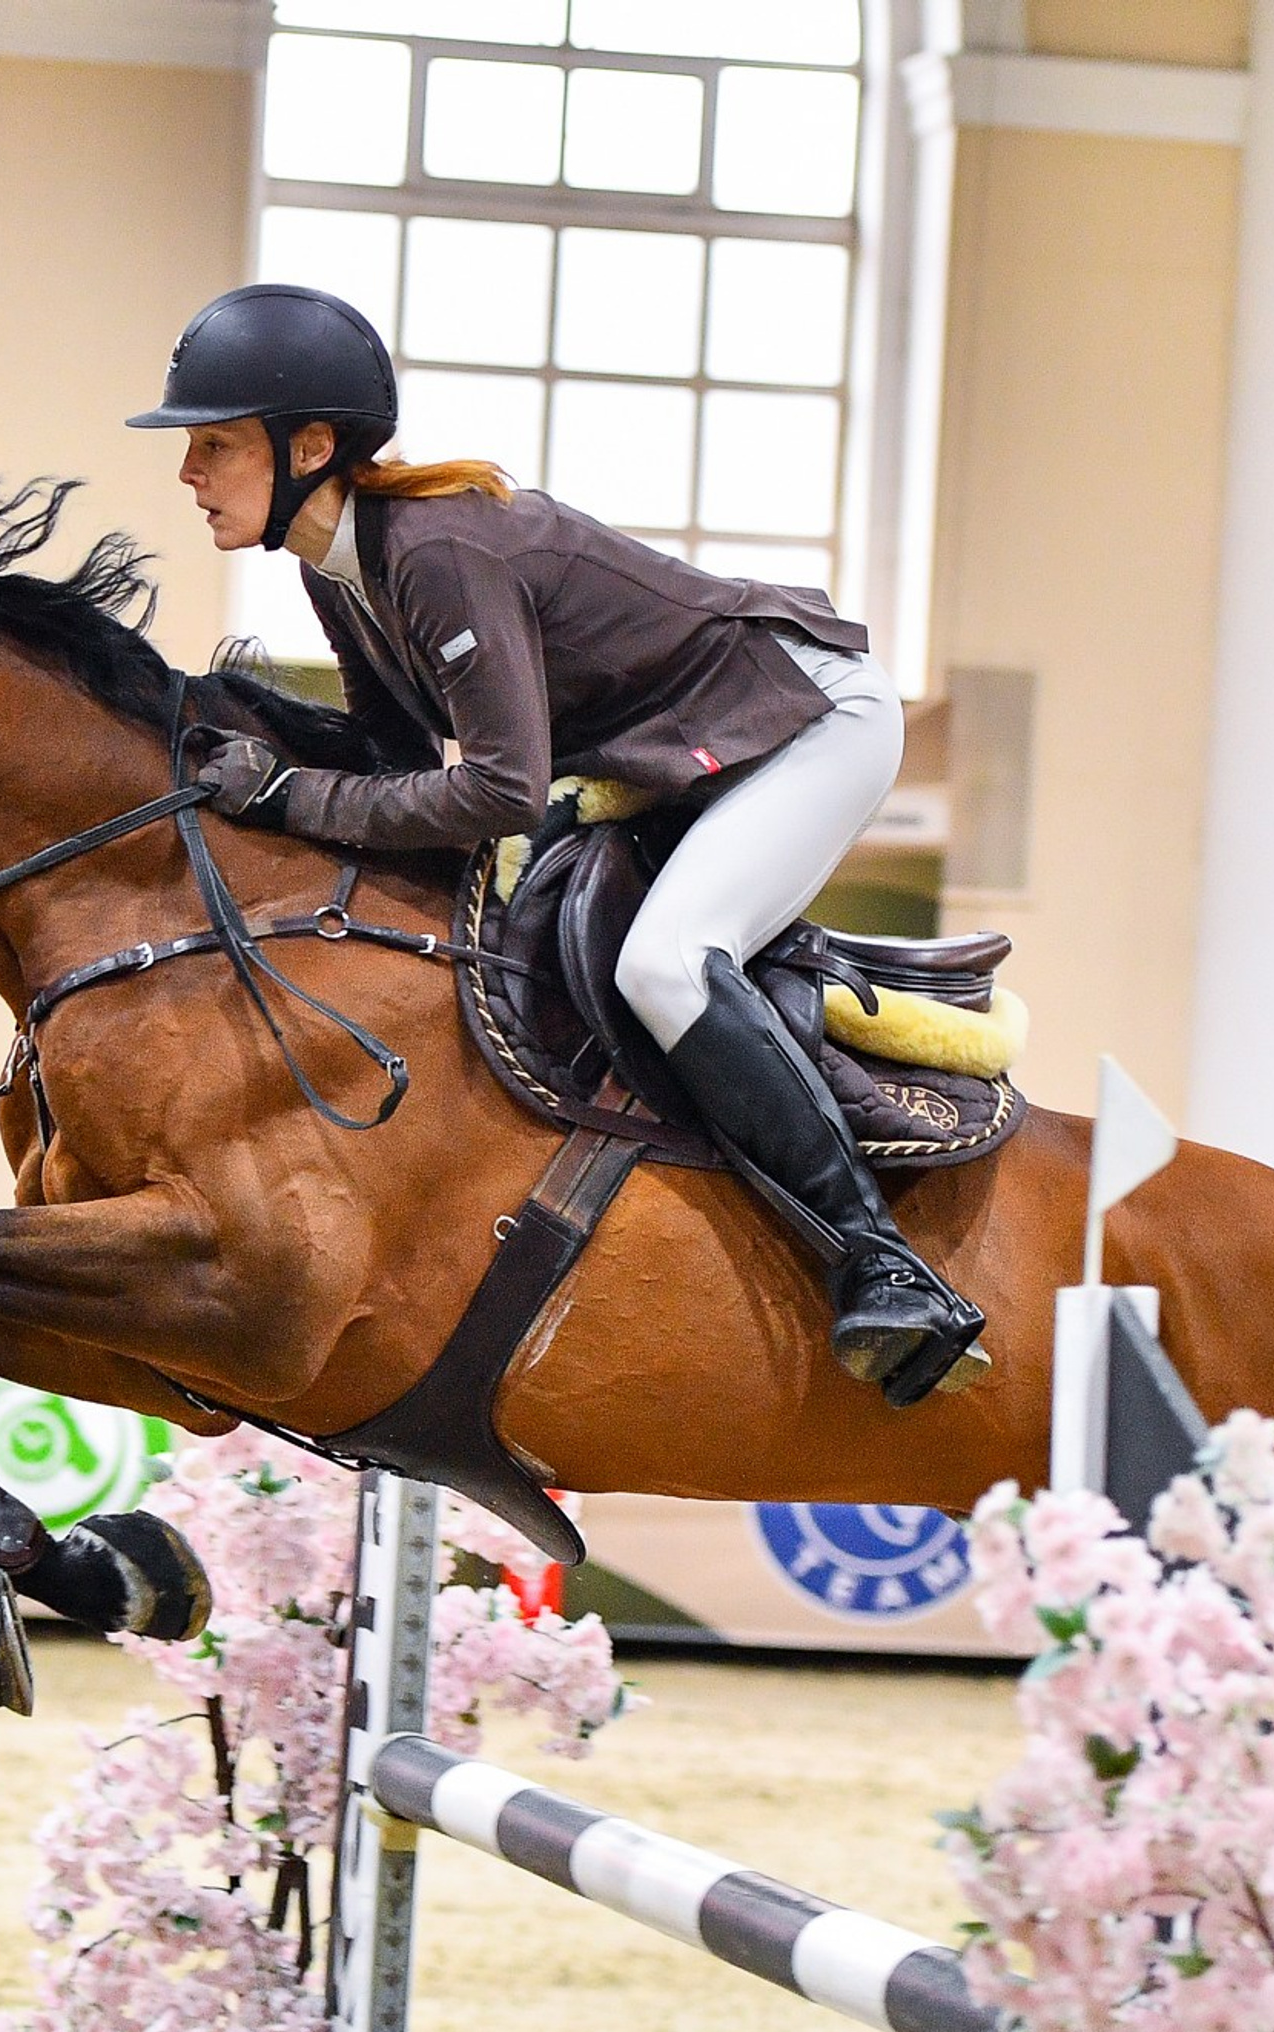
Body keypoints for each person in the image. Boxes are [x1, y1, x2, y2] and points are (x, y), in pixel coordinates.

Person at [129, 282, 986, 1403]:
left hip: (808, 721)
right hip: (693, 749)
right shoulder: (337, 567)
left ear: (312, 446)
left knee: (666, 963)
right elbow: (392, 761)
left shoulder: (435, 550)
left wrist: (285, 792)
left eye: (215, 445)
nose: (189, 474)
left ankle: (888, 1266)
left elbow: (493, 789)